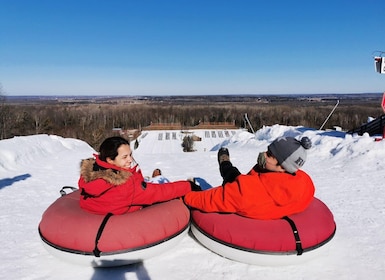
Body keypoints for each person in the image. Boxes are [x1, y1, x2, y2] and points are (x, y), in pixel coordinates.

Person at [183, 136, 315, 220]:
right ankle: (226, 163)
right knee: (234, 176)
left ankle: (224, 162)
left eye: (269, 155)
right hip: (254, 189)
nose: (263, 154)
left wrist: (188, 196)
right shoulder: (305, 182)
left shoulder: (249, 192)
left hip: (244, 194)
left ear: (282, 166)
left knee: (230, 174)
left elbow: (216, 199)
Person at [78, 136, 200, 215]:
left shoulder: (92, 174)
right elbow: (158, 192)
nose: (130, 160)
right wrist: (188, 186)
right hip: (134, 201)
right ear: (110, 160)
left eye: (130, 155)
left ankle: (153, 178)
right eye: (125, 157)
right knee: (160, 182)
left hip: (107, 207)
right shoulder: (126, 185)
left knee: (146, 182)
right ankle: (158, 178)